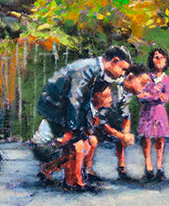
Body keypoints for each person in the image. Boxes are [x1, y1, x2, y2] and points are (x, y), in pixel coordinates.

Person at [35, 45, 132, 189]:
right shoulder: (88, 70)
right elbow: (74, 100)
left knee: (81, 142)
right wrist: (73, 128)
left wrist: (83, 126)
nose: (123, 74)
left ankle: (72, 180)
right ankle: (75, 182)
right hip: (55, 106)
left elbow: (85, 102)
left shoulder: (95, 71)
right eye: (123, 69)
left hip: (64, 107)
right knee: (77, 143)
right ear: (114, 61)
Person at [89, 64, 149, 182]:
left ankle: (121, 168)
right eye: (142, 83)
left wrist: (125, 135)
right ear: (130, 77)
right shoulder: (112, 90)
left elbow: (125, 116)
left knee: (121, 132)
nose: (144, 87)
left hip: (111, 121)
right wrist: (120, 136)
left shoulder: (128, 93)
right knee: (91, 140)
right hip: (94, 121)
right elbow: (99, 119)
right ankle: (86, 169)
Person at [137, 47, 169, 181]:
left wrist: (154, 96)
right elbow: (141, 95)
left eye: (162, 58)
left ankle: (159, 164)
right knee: (146, 137)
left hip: (160, 112)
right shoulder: (146, 77)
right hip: (147, 111)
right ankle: (148, 164)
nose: (159, 60)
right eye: (156, 57)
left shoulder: (166, 78)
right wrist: (156, 97)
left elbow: (167, 95)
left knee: (160, 138)